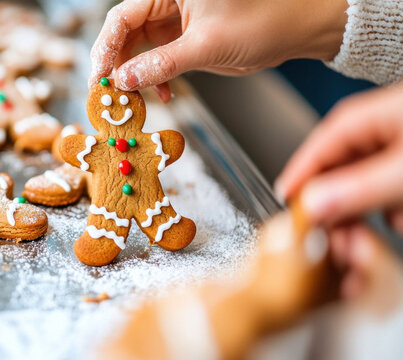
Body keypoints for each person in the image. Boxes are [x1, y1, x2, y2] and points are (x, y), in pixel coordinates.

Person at [89, 0, 403, 299]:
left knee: (157, 212)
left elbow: (165, 145)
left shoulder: (142, 144)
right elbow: (79, 149)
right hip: (352, 97)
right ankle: (104, 236)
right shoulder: (101, 147)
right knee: (109, 217)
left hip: (345, 98)